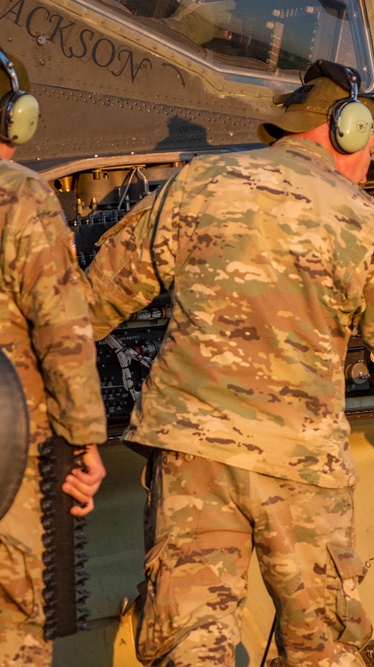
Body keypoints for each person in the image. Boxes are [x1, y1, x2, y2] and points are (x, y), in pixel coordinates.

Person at [84, 59, 374, 666]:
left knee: (189, 643)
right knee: (325, 645)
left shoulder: (198, 184)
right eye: (371, 146)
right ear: (346, 128)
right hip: (297, 466)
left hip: (192, 455)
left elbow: (93, 301)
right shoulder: (360, 217)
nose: (370, 159)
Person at [0, 48, 107, 666]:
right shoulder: (21, 197)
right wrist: (84, 442)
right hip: (13, 458)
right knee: (17, 629)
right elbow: (63, 332)